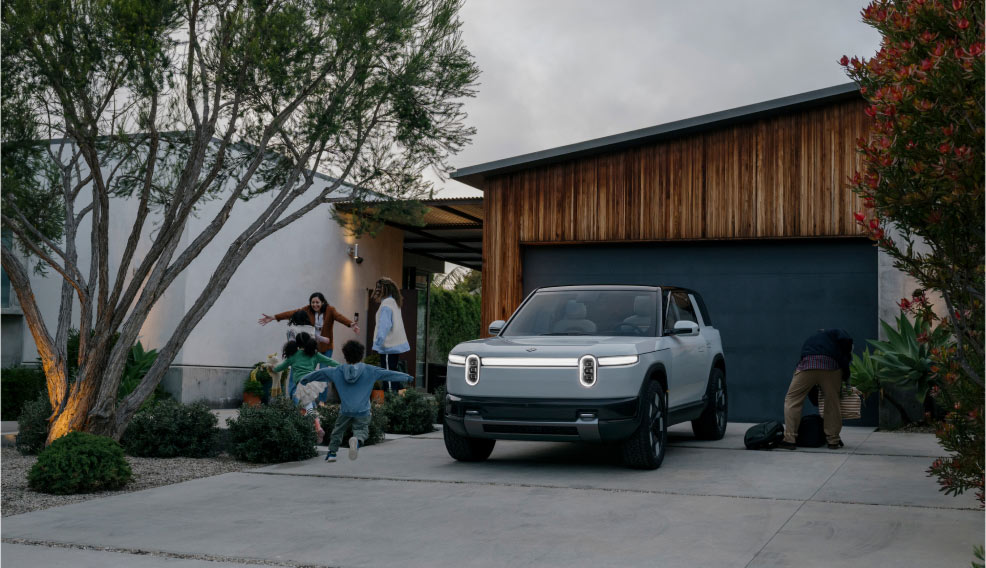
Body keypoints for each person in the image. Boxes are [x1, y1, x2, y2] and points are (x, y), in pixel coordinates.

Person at [306, 340, 411, 462]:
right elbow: (388, 374)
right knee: (362, 430)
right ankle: (357, 441)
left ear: (345, 356)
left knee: (338, 430)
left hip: (345, 409)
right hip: (363, 410)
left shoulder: (338, 370)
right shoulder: (370, 370)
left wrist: (305, 379)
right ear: (361, 355)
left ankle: (332, 453)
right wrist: (406, 377)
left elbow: (321, 373)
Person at [777, 328, 854, 450]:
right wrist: (845, 374)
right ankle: (833, 440)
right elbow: (844, 357)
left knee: (792, 399)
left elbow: (803, 357)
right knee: (832, 402)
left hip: (807, 365)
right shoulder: (837, 336)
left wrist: (814, 397)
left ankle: (790, 439)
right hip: (831, 366)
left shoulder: (811, 339)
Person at [259, 292, 359, 358]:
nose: (315, 305)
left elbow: (339, 317)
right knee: (309, 371)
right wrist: (274, 317)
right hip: (311, 346)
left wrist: (350, 324)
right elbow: (292, 313)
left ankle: (322, 391)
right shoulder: (307, 310)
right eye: (313, 302)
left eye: (317, 302)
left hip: (326, 346)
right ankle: (308, 390)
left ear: (323, 302)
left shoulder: (330, 310)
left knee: (324, 373)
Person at [371, 278, 410, 392]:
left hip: (387, 346)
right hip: (393, 345)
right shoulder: (393, 302)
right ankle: (396, 399)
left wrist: (377, 344)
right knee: (392, 372)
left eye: (379, 287)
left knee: (387, 375)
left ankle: (390, 399)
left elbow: (384, 326)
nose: (377, 289)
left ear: (385, 289)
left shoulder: (386, 304)